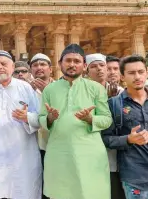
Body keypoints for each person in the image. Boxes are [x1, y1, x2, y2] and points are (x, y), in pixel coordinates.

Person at [39, 44, 113, 199]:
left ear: (84, 66)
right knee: (60, 192)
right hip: (59, 152)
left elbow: (107, 119)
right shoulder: (49, 90)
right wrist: (50, 118)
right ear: (60, 64)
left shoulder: (96, 88)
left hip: (90, 152)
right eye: (68, 61)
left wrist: (90, 118)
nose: (72, 64)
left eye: (76, 61)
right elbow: (41, 118)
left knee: (91, 192)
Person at [0, 50, 42, 199]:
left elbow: (39, 117)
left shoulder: (25, 88)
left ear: (12, 67)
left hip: (22, 152)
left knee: (22, 190)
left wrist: (27, 117)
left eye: (4, 64)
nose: (0, 67)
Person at [102, 55, 148, 199]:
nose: (137, 76)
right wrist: (128, 139)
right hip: (135, 177)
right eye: (131, 73)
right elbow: (105, 139)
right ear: (122, 76)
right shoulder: (114, 104)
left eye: (141, 72)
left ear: (147, 72)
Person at [86, 53, 125, 199]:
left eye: (102, 66)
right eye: (94, 67)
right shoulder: (83, 91)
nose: (100, 70)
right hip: (92, 147)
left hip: (117, 149)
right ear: (87, 70)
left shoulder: (120, 93)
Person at [29, 53, 53, 199]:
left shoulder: (60, 87)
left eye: (43, 64)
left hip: (52, 145)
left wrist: (49, 92)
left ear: (50, 69)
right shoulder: (25, 89)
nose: (39, 68)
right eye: (35, 65)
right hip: (31, 145)